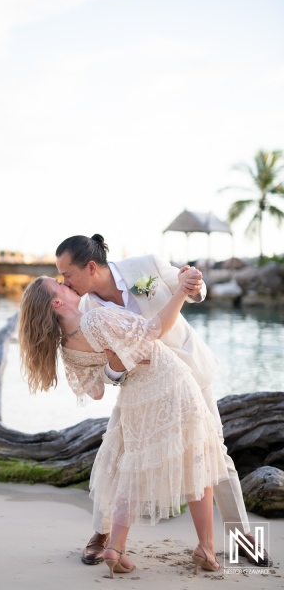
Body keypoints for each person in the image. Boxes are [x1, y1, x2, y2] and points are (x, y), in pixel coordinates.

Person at [55, 234, 272, 568]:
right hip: (140, 387)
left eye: (67, 274)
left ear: (91, 266)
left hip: (190, 372)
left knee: (215, 451)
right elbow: (102, 376)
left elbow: (191, 290)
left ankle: (241, 536)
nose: (64, 281)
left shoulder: (146, 266)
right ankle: (101, 535)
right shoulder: (85, 309)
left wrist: (193, 282)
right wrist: (116, 368)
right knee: (115, 453)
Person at [18, 271, 229, 577]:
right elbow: (154, 330)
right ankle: (206, 549)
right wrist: (181, 292)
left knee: (134, 466)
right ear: (57, 301)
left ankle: (116, 547)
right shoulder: (95, 320)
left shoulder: (67, 349)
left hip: (135, 396)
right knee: (195, 458)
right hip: (169, 382)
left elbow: (96, 389)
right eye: (59, 283)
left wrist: (115, 361)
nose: (65, 283)